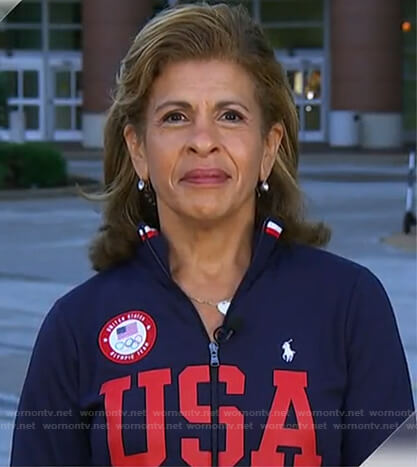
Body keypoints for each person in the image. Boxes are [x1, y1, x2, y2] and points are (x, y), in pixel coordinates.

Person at [10, 3, 415, 467]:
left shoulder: (352, 305)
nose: (203, 140)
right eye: (176, 117)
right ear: (138, 150)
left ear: (269, 147)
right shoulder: (75, 326)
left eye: (230, 116)